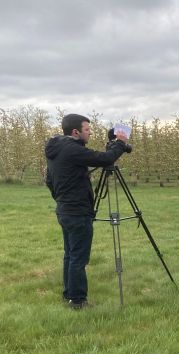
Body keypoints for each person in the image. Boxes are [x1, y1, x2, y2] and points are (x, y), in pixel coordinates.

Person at [45, 114, 131, 309]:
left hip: (65, 210)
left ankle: (69, 294)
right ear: (75, 132)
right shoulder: (72, 150)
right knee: (78, 257)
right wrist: (120, 143)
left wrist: (61, 198)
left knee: (70, 254)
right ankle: (77, 301)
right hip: (77, 212)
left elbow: (49, 180)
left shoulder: (56, 149)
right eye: (87, 129)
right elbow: (105, 158)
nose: (90, 132)